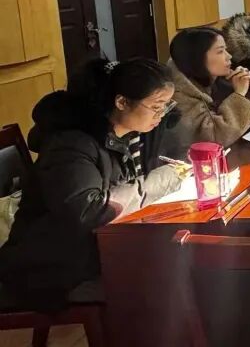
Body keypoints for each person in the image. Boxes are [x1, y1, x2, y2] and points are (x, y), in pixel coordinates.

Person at [0, 58, 188, 312]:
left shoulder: (124, 136)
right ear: (121, 102)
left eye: (166, 106)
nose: (161, 114)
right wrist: (163, 180)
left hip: (92, 252)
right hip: (51, 270)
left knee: (177, 265)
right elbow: (87, 211)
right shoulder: (72, 145)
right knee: (164, 282)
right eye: (156, 106)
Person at [168, 27, 250, 147]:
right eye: (220, 51)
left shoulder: (218, 79)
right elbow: (214, 139)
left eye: (226, 50)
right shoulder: (177, 94)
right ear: (197, 58)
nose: (229, 56)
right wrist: (239, 94)